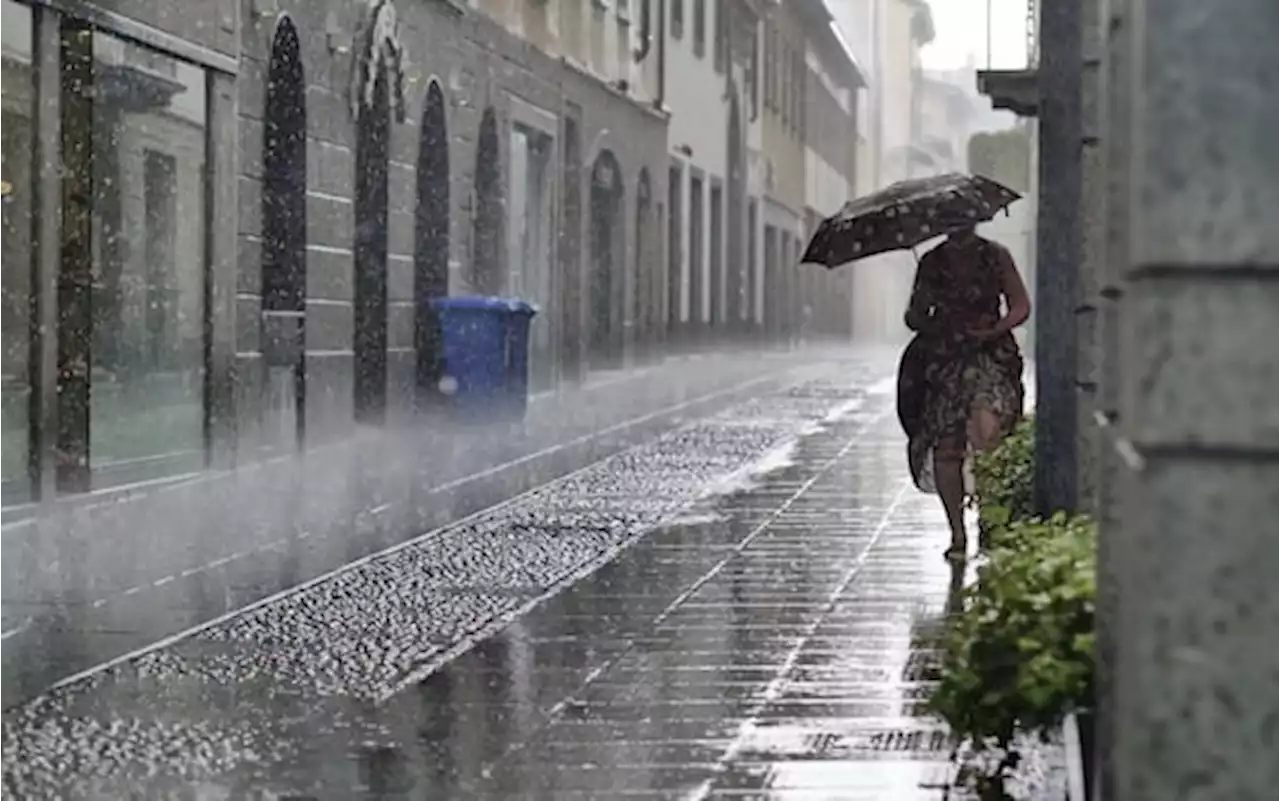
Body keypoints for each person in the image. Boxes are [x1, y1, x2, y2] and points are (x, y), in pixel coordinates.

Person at [898, 223, 1031, 559]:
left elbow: (1020, 305)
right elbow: (915, 317)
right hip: (944, 362)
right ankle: (957, 533)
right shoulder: (931, 261)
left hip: (989, 357)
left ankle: (989, 522)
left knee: (988, 436)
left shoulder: (996, 256)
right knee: (946, 445)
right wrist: (926, 314)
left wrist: (994, 329)